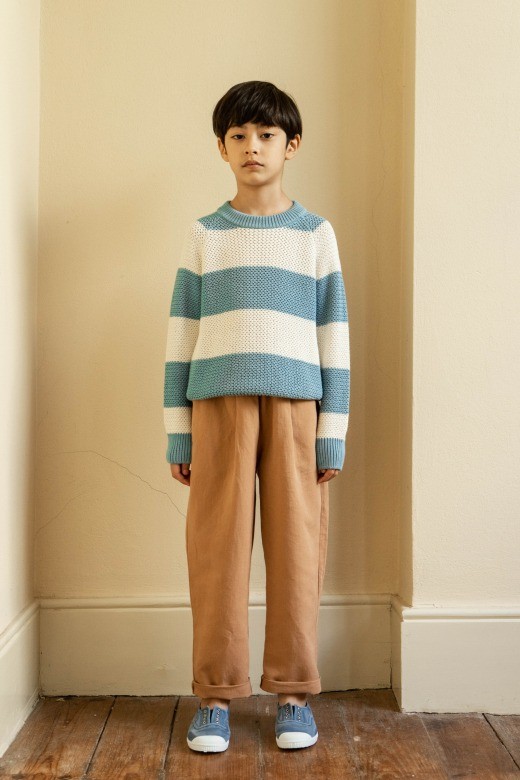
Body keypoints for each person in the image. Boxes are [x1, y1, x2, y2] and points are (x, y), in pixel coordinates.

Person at [163, 80, 350, 753]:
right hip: (218, 407)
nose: (252, 147)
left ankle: (293, 693)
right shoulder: (206, 235)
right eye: (238, 136)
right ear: (222, 147)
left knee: (298, 549)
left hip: (297, 407)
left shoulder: (315, 235)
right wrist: (178, 431)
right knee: (216, 552)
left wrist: (332, 431)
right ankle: (215, 696)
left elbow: (334, 335)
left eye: (266, 135)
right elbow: (181, 336)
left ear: (291, 145)